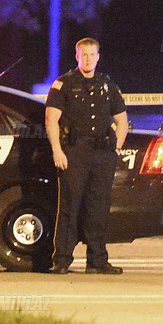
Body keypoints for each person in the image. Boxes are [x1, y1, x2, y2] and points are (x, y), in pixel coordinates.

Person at [45, 37, 128, 275]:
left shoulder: (107, 84)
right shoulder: (64, 84)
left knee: (98, 207)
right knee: (70, 206)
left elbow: (122, 120)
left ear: (98, 57)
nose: (89, 59)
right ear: (77, 56)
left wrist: (116, 148)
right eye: (84, 55)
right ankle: (61, 260)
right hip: (74, 151)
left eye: (92, 55)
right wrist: (57, 150)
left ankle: (97, 261)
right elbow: (51, 121)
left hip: (102, 153)